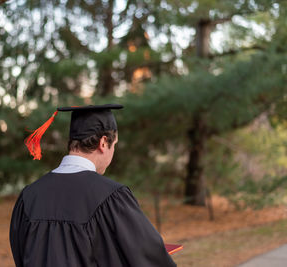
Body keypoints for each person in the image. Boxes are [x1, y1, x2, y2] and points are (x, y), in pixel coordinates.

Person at [10, 104, 177, 267]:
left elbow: (21, 256)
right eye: (115, 144)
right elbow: (148, 256)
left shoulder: (29, 196)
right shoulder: (111, 197)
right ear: (103, 143)